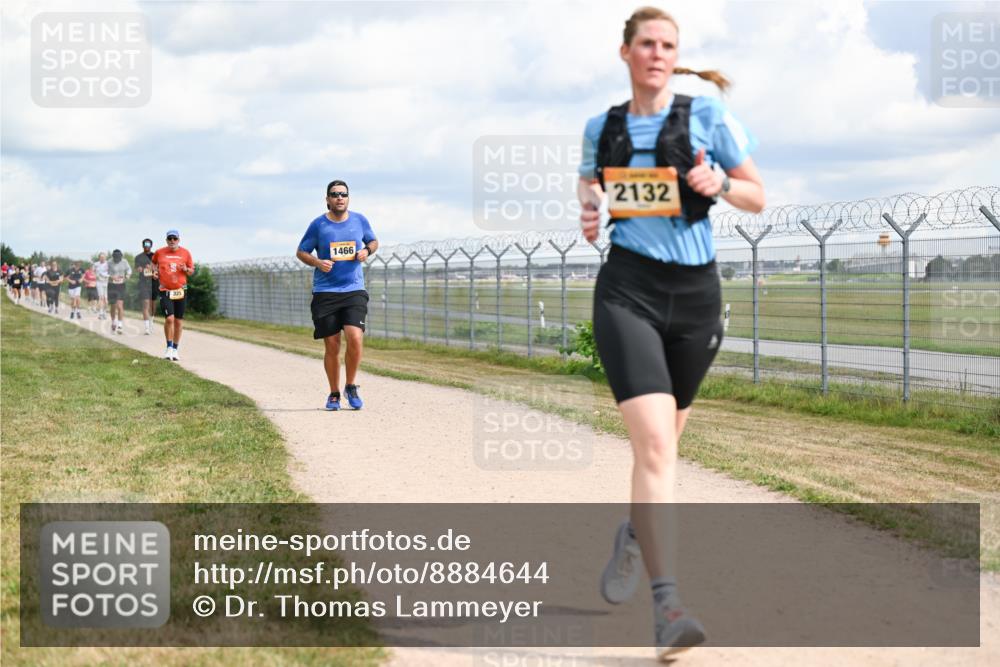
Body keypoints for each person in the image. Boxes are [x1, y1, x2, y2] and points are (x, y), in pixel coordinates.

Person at [577, 7, 765, 660]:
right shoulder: (602, 126)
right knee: (656, 445)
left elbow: (757, 194)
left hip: (695, 297)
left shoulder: (707, 115)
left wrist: (722, 182)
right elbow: (589, 180)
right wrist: (590, 207)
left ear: (675, 55)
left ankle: (636, 534)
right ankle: (669, 607)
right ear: (625, 52)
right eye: (647, 43)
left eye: (668, 45)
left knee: (664, 448)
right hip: (627, 290)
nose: (658, 53)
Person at [295, 179, 379, 411]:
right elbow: (301, 251)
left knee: (355, 337)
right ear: (327, 199)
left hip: (353, 289)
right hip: (326, 292)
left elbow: (373, 241)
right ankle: (334, 393)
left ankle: (350, 386)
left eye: (343, 194)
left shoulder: (359, 220)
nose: (339, 198)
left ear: (348, 198)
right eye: (334, 194)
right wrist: (317, 262)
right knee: (332, 346)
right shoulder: (318, 225)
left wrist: (366, 251)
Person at [152, 230, 194, 361]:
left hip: (180, 290)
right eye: (170, 238)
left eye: (174, 239)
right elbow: (153, 264)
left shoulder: (186, 253)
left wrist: (186, 269)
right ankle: (169, 347)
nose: (172, 241)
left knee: (178, 321)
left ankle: (175, 349)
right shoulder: (159, 252)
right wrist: (154, 272)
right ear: (166, 240)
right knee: (169, 319)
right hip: (165, 290)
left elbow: (191, 271)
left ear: (178, 240)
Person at [134, 238, 158, 335]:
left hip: (154, 282)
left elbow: (159, 267)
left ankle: (152, 320)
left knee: (152, 304)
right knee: (145, 303)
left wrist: (153, 269)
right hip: (143, 282)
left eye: (148, 244)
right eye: (145, 244)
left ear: (151, 245)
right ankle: (147, 327)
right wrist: (139, 268)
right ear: (143, 245)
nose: (147, 246)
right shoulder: (138, 257)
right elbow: (137, 268)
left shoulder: (155, 256)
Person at [107, 249, 132, 334]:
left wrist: (127, 275)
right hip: (111, 285)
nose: (117, 260)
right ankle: (113, 322)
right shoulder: (109, 262)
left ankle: (120, 325)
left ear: (121, 257)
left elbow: (129, 270)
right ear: (113, 257)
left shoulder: (124, 261)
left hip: (121, 285)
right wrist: (111, 277)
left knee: (120, 305)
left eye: (118, 258)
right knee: (113, 305)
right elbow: (104, 272)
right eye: (115, 258)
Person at [93, 252, 110, 319]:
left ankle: (104, 312)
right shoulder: (96, 264)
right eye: (101, 257)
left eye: (103, 257)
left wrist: (107, 276)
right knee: (101, 297)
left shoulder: (108, 264)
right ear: (99, 258)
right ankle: (100, 313)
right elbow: (93, 271)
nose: (102, 258)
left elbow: (111, 272)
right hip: (99, 282)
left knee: (105, 299)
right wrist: (96, 276)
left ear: (105, 258)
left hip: (106, 282)